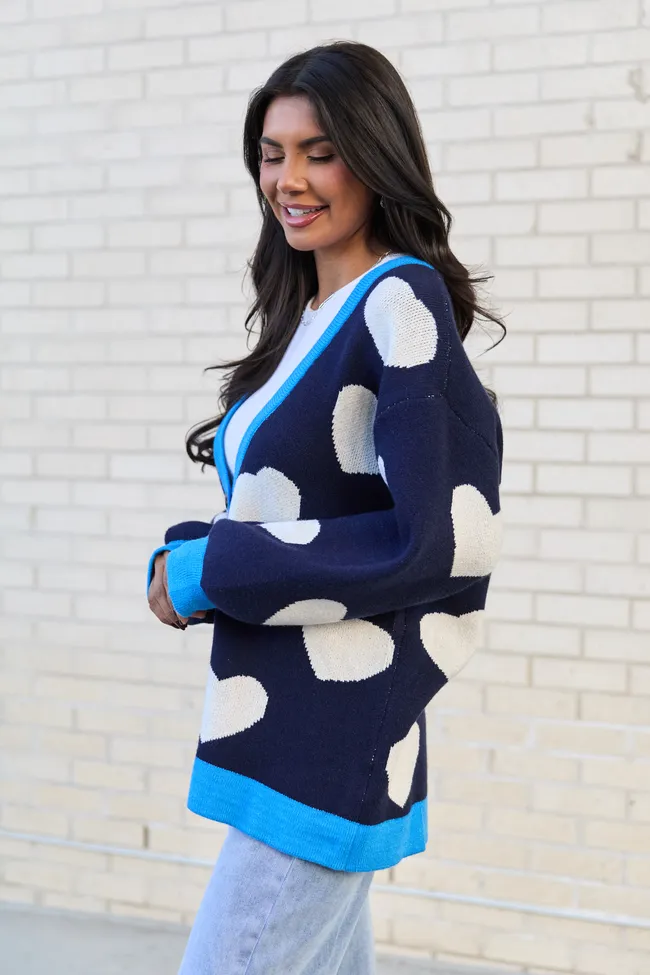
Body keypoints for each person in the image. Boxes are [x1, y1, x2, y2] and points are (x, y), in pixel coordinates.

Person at [146, 40, 505, 975]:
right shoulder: (315, 313)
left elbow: (440, 539)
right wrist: (192, 557)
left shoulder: (399, 300)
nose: (290, 180)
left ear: (375, 158)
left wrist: (208, 571)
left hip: (328, 739)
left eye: (321, 152)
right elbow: (306, 508)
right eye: (273, 154)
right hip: (293, 728)